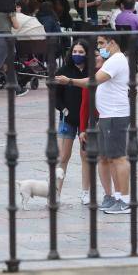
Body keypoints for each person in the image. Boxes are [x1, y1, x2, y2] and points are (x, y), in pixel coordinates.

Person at [56, 34, 131, 214]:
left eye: (101, 43)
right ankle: (115, 196)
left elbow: (93, 81)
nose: (99, 47)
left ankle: (125, 200)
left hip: (115, 116)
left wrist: (70, 81)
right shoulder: (110, 61)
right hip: (106, 117)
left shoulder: (116, 59)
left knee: (118, 157)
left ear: (113, 42)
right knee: (107, 158)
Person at [54, 42, 90, 203]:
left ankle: (85, 192)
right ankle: (56, 192)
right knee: (63, 156)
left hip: (86, 121)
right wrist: (63, 110)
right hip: (67, 119)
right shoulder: (63, 71)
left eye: (81, 51)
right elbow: (56, 96)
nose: (77, 54)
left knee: (86, 156)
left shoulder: (92, 71)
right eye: (75, 51)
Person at [78, 48, 114, 205]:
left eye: (98, 55)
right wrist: (82, 129)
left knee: (116, 159)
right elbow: (85, 105)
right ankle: (107, 194)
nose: (96, 59)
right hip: (95, 122)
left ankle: (120, 194)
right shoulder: (91, 78)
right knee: (100, 158)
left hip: (113, 121)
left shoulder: (113, 74)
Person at [115, 0, 138, 73]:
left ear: (122, 6)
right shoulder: (135, 17)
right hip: (134, 43)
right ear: (134, 7)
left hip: (123, 44)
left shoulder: (118, 17)